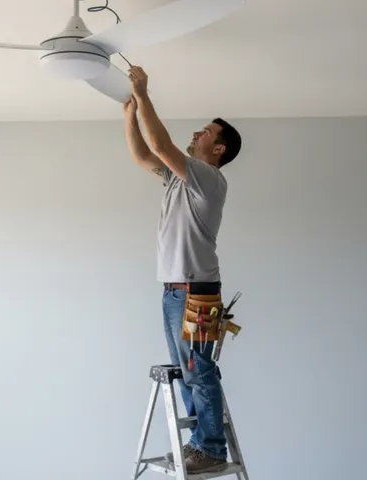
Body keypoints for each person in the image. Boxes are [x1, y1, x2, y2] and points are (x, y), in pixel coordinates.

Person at [122, 66, 242, 474]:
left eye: (205, 133)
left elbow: (159, 143)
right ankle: (198, 444)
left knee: (198, 370)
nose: (197, 135)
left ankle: (210, 449)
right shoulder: (178, 180)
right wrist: (129, 114)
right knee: (187, 373)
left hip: (198, 290)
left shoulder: (207, 179)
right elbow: (143, 154)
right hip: (175, 291)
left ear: (219, 149)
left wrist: (144, 93)